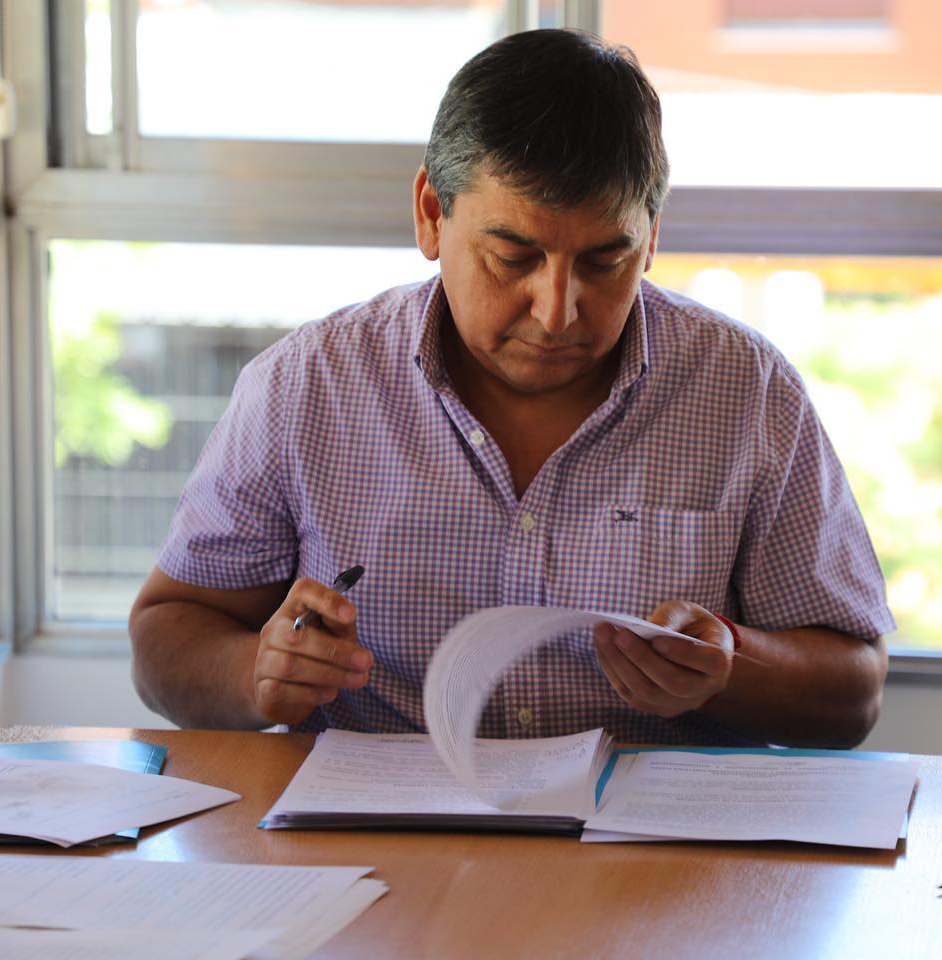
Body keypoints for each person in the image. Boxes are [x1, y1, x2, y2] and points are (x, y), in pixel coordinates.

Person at [130, 29, 892, 747]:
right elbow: (168, 634)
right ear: (432, 215)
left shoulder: (746, 391)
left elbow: (855, 693)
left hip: (651, 861)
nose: (557, 310)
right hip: (379, 846)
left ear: (652, 236)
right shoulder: (308, 386)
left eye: (604, 261)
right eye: (512, 256)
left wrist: (730, 667)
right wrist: (254, 671)